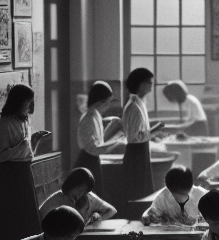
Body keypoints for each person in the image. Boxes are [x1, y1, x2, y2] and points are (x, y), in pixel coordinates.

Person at [0, 83, 49, 240]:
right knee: (11, 217)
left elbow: (27, 154)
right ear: (18, 102)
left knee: (29, 215)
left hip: (25, 172)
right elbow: (1, 157)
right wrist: (25, 144)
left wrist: (34, 141)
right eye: (27, 102)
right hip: (10, 174)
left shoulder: (25, 121)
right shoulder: (3, 125)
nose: (30, 106)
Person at [122, 67, 163, 204]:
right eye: (150, 83)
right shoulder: (134, 106)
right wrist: (153, 132)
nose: (151, 88)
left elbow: (140, 131)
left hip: (141, 150)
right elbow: (133, 137)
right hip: (136, 153)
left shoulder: (139, 103)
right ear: (141, 84)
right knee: (138, 190)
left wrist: (152, 132)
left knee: (143, 189)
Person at [76, 80, 116, 194]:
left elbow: (98, 140)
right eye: (108, 101)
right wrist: (115, 143)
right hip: (87, 162)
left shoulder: (96, 115)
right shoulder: (89, 119)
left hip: (93, 161)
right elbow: (93, 148)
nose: (109, 105)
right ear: (100, 102)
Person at [40, 167, 116, 225]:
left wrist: (98, 217)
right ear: (72, 184)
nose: (80, 194)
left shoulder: (88, 197)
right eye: (79, 189)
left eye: (84, 191)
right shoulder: (56, 200)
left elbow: (112, 210)